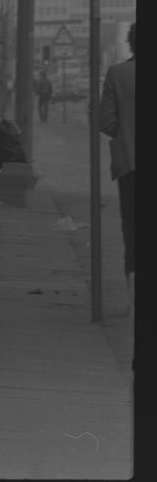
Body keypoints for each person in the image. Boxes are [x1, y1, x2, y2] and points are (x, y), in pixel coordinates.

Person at [99, 21, 135, 311]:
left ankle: (135, 297)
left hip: (131, 165)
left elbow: (106, 123)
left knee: (133, 232)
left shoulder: (118, 74)